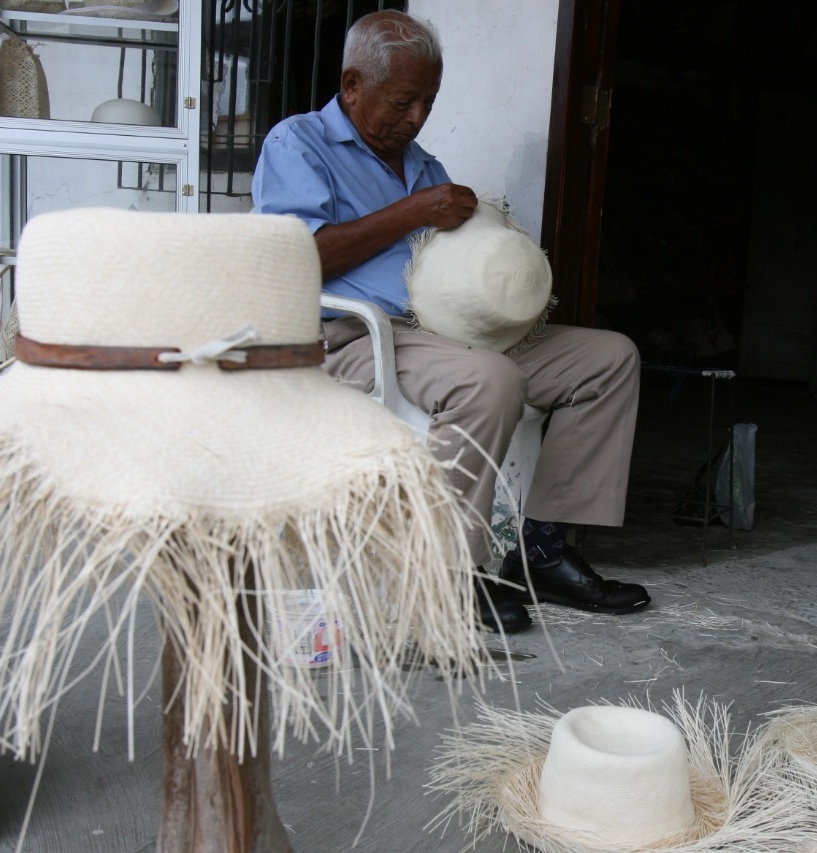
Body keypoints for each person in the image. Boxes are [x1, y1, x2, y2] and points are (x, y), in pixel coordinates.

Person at [252, 10, 649, 634]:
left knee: (608, 358)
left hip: (448, 331)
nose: (416, 118)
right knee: (490, 380)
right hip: (359, 337)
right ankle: (445, 571)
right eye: (403, 102)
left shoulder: (422, 164)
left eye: (428, 103)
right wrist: (415, 210)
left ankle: (541, 552)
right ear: (352, 85)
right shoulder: (297, 143)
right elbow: (298, 258)